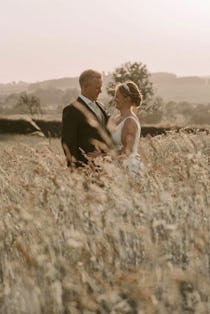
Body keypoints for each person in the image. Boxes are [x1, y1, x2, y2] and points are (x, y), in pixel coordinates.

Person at [61, 69, 112, 167]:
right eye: (97, 88)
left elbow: (108, 135)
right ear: (85, 87)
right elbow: (68, 144)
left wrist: (105, 155)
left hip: (105, 168)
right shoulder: (71, 110)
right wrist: (79, 168)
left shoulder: (101, 106)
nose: (101, 91)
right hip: (85, 168)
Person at [109, 80, 144, 174]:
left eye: (117, 96)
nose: (114, 99)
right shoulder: (117, 118)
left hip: (127, 168)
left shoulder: (130, 121)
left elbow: (127, 151)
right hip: (116, 166)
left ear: (127, 99)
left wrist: (103, 155)